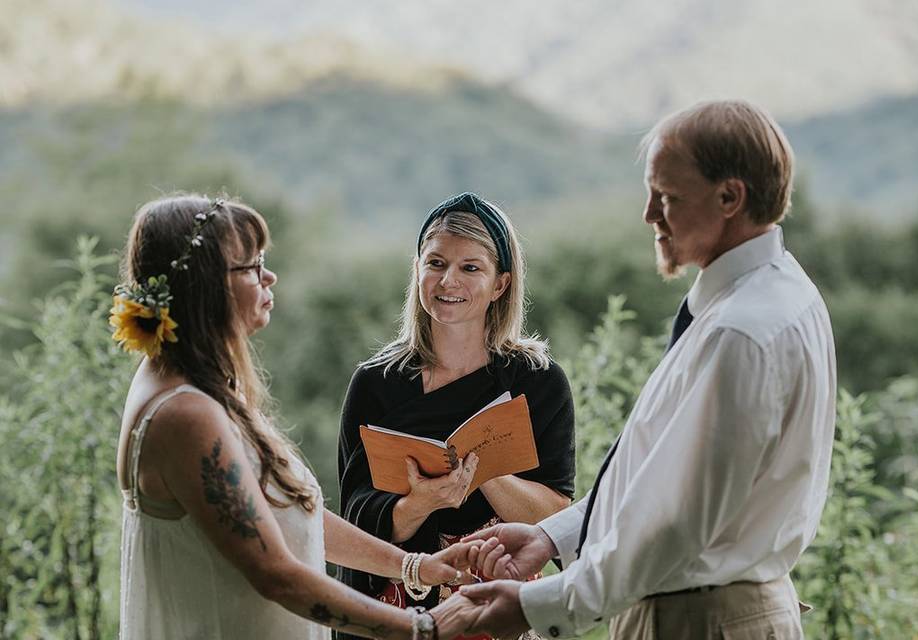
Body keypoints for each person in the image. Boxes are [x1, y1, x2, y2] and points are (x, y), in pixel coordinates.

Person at [457, 100, 838, 639]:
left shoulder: (742, 332)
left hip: (700, 622)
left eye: (667, 195)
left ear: (730, 197)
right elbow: (660, 475)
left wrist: (539, 604)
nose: (649, 214)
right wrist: (554, 537)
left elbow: (677, 523)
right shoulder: (778, 296)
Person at [112, 194, 481, 640]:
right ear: (204, 284)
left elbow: (287, 512)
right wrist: (423, 627)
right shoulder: (186, 412)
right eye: (250, 266)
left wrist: (414, 567)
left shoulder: (197, 381)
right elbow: (275, 574)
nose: (269, 276)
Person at [336, 192, 576, 640]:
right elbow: (355, 515)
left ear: (500, 284)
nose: (449, 281)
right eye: (436, 263)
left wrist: (482, 470)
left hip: (494, 605)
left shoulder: (538, 381)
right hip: (397, 606)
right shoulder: (375, 382)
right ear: (417, 269)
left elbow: (555, 516)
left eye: (470, 268)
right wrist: (420, 503)